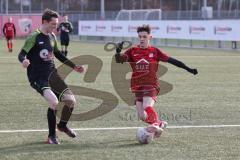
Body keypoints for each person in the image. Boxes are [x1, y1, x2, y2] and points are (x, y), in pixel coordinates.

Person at [115, 25, 198, 138]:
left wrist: (188, 69)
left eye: (144, 36)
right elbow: (119, 60)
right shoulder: (132, 51)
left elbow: (173, 61)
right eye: (140, 36)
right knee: (142, 116)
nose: (142, 39)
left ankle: (155, 124)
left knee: (147, 106)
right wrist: (117, 52)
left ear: (150, 37)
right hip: (137, 86)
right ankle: (159, 123)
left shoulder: (155, 51)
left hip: (151, 84)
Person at [18, 9, 84, 144]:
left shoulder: (52, 37)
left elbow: (58, 54)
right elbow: (21, 54)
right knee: (54, 102)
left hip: (53, 75)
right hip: (38, 77)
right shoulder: (34, 37)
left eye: (56, 24)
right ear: (44, 22)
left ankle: (62, 126)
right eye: (53, 24)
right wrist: (24, 61)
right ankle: (52, 136)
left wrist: (74, 66)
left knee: (71, 101)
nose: (55, 27)